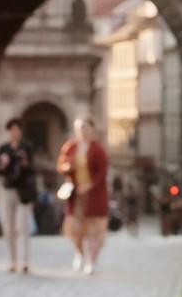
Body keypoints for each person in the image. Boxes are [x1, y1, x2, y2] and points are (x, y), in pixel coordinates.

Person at [56, 116, 109, 275]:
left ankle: (92, 260)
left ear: (92, 130)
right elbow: (61, 165)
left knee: (94, 229)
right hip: (76, 194)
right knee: (75, 228)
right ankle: (79, 253)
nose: (83, 132)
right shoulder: (70, 147)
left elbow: (102, 171)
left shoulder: (98, 150)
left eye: (85, 128)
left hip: (94, 194)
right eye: (79, 128)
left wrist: (90, 185)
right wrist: (67, 167)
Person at [0, 118, 37, 273]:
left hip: (23, 191)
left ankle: (25, 261)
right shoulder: (3, 149)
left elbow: (32, 169)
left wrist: (25, 162)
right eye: (12, 130)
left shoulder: (27, 147)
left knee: (22, 226)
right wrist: (4, 165)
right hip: (7, 189)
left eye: (17, 129)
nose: (15, 133)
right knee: (8, 227)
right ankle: (12, 260)